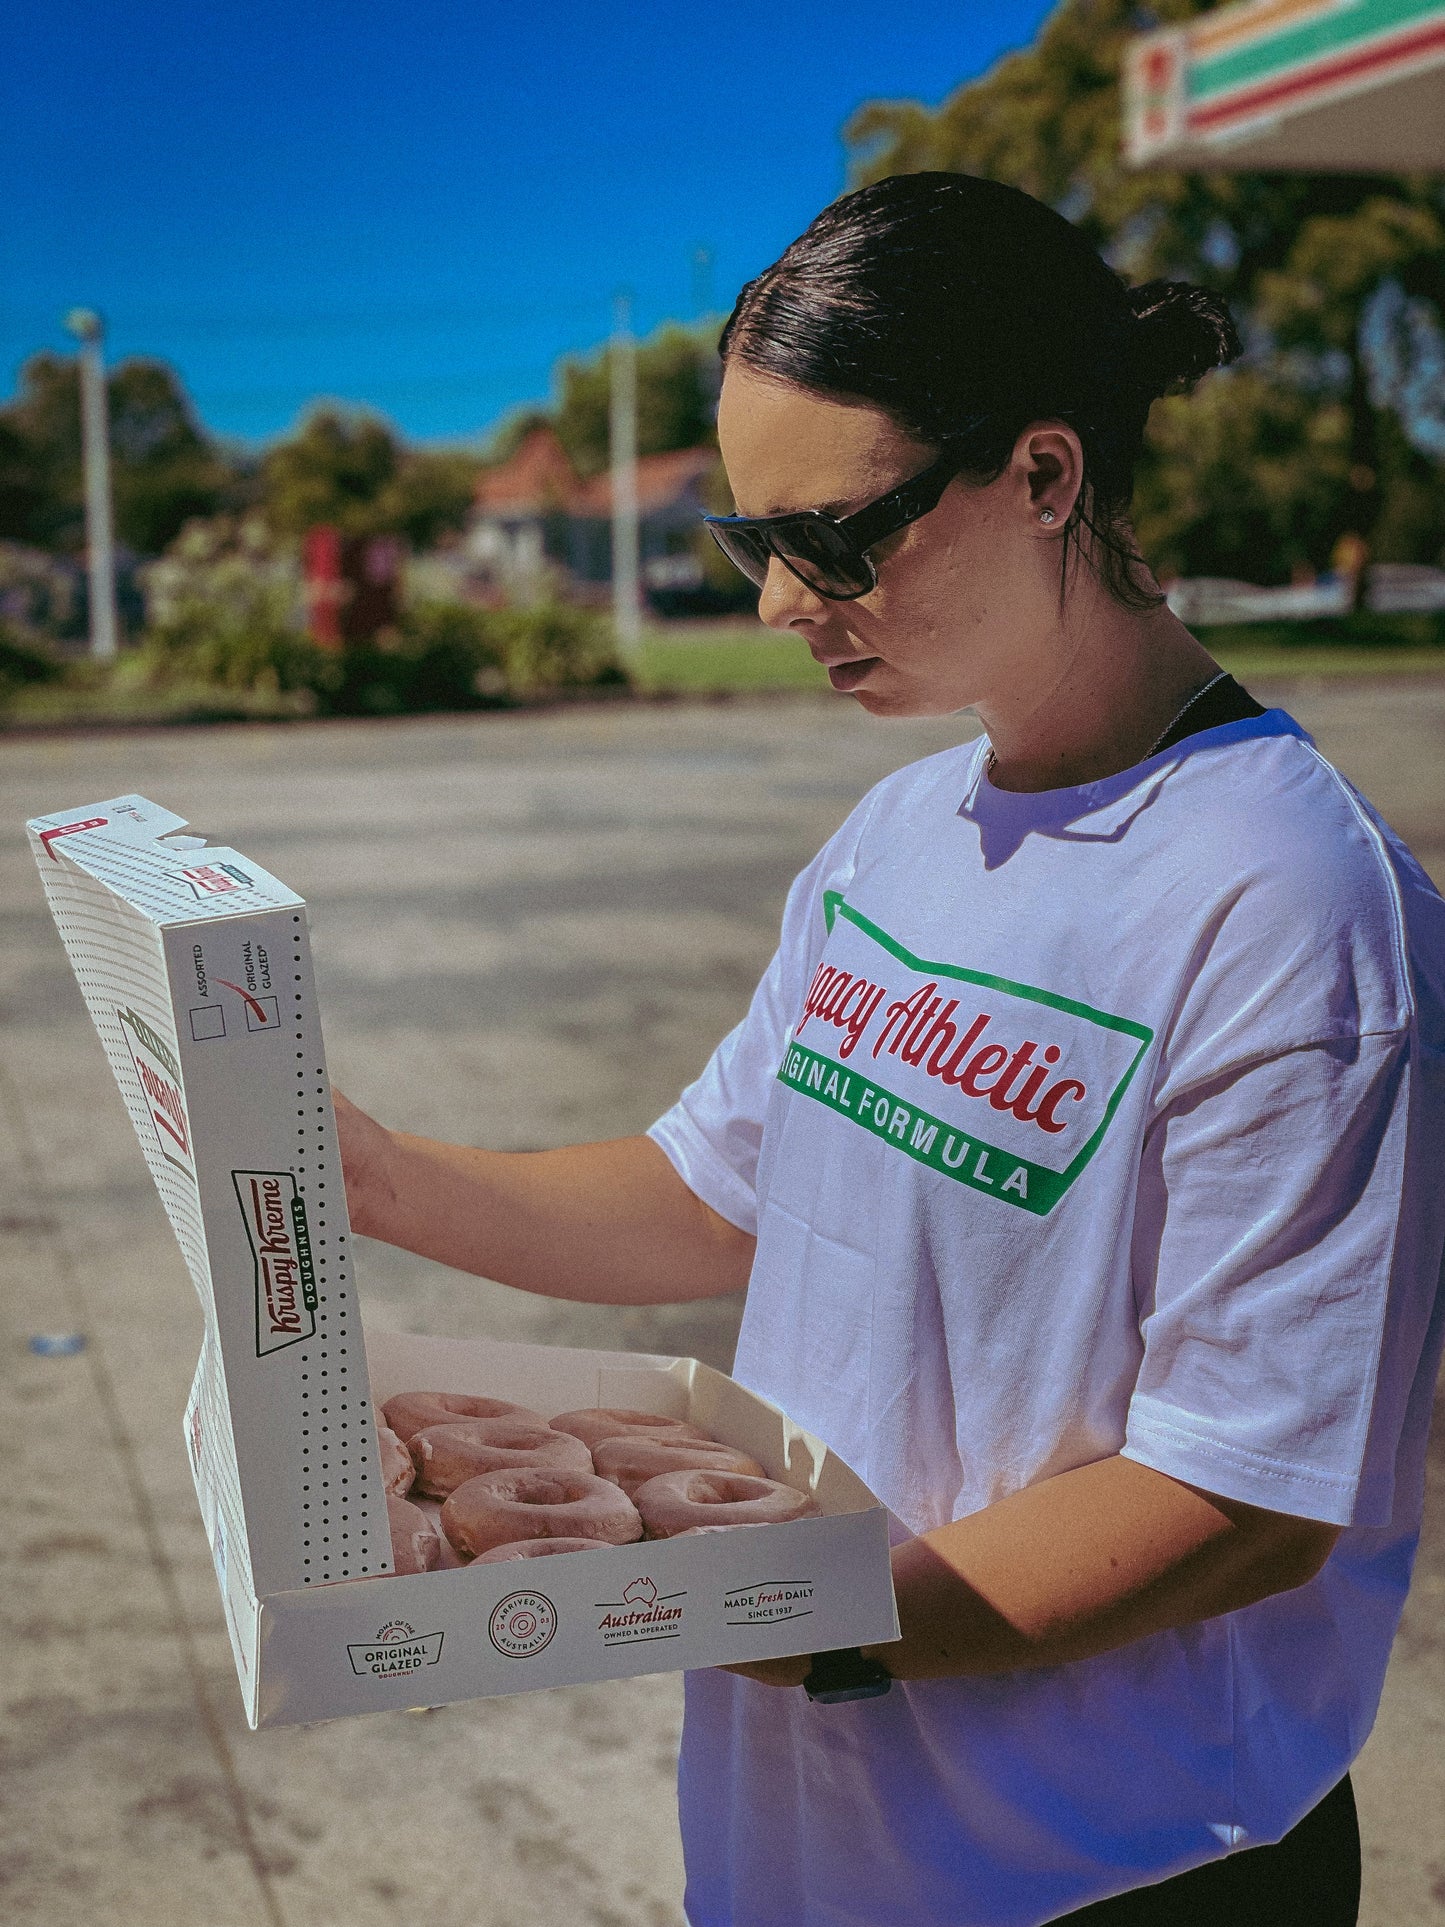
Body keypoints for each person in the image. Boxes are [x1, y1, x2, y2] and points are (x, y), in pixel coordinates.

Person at [336, 174, 1445, 1926]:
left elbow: (1243, 1494)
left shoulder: (1291, 906)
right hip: (813, 1837)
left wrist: (808, 1624)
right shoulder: (900, 833)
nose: (783, 600)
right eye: (748, 539)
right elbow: (715, 1196)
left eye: (836, 538)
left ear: (1045, 474)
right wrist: (365, 1177)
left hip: (1113, 1864)